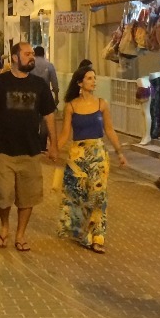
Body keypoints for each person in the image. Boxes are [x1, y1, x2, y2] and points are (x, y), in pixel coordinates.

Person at [0, 42, 59, 252]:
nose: (31, 57)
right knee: (3, 194)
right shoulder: (0, 83)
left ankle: (20, 234)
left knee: (27, 196)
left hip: (31, 150)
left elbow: (49, 115)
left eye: (32, 53)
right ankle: (4, 226)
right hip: (4, 150)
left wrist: (54, 144)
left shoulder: (39, 85)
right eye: (27, 54)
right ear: (15, 58)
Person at [57, 66, 128, 253]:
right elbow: (65, 133)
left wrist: (119, 152)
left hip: (98, 156)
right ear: (80, 83)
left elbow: (109, 130)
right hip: (77, 157)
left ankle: (98, 236)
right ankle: (83, 234)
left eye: (94, 78)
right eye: (89, 78)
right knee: (79, 196)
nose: (93, 81)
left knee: (98, 196)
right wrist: (53, 150)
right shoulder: (71, 106)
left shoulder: (101, 104)